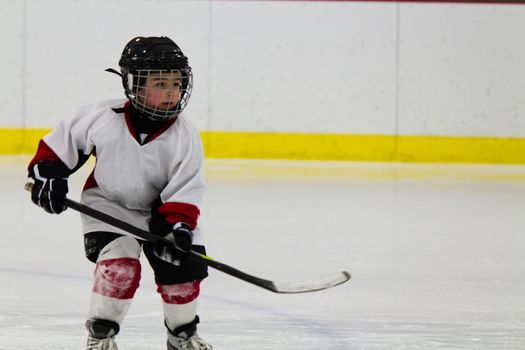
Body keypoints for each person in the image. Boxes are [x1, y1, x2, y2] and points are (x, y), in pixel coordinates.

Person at [27, 36, 213, 350]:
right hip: (110, 207)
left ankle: (182, 335)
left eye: (177, 84)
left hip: (164, 213)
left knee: (182, 271)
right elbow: (58, 149)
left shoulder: (185, 135)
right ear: (133, 84)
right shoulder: (101, 117)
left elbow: (185, 189)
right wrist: (49, 175)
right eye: (159, 83)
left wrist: (177, 230)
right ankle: (101, 336)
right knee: (119, 263)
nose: (171, 93)